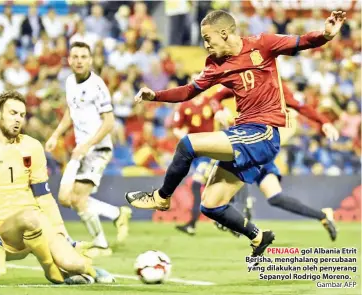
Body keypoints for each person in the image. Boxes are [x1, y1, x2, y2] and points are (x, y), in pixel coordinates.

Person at [125, 10, 346, 264]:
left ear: (224, 32)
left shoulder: (262, 44)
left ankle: (162, 198)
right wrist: (157, 96)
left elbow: (302, 41)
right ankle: (257, 236)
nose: (205, 44)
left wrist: (326, 35)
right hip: (243, 134)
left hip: (262, 133)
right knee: (211, 205)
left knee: (188, 144)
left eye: (208, 38)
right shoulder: (216, 65)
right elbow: (188, 92)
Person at [0, 90, 115, 284]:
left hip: (37, 220)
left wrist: (62, 233)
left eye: (21, 115)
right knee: (29, 216)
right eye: (12, 113)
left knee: (72, 263)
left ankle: (89, 271)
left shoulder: (32, 146)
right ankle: (50, 269)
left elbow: (43, 196)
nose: (18, 119)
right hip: (5, 233)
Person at [212, 84, 338, 241]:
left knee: (234, 170)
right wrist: (218, 111)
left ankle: (241, 208)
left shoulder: (276, 86)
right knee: (275, 198)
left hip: (258, 147)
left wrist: (324, 122)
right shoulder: (245, 78)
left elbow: (301, 107)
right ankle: (323, 216)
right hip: (248, 144)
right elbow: (215, 98)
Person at [46, 42, 132, 257]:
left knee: (78, 199)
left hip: (97, 149)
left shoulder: (97, 86)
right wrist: (56, 135)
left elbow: (110, 122)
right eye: (75, 56)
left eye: (83, 56)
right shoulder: (69, 82)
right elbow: (71, 112)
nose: (79, 60)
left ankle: (101, 244)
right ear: (69, 59)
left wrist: (87, 144)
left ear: (90, 60)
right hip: (81, 149)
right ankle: (116, 213)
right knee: (67, 199)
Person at [171, 86, 229, 236]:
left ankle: (195, 223)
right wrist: (184, 139)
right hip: (195, 152)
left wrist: (224, 120)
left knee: (197, 184)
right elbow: (176, 128)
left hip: (209, 149)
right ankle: (227, 213)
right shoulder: (184, 105)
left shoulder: (211, 102)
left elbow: (223, 114)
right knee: (205, 185)